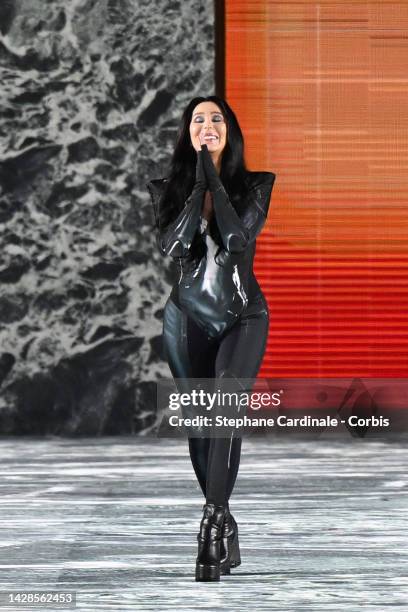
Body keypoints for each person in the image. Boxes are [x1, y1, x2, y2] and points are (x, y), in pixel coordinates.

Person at [147, 95, 276, 581]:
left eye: (216, 118)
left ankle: (210, 525)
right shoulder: (166, 189)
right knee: (203, 425)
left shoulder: (257, 185)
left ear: (229, 131)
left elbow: (236, 240)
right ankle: (223, 519)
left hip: (243, 315)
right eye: (198, 119)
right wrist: (196, 183)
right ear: (187, 132)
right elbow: (174, 246)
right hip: (186, 320)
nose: (207, 125)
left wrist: (214, 182)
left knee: (225, 409)